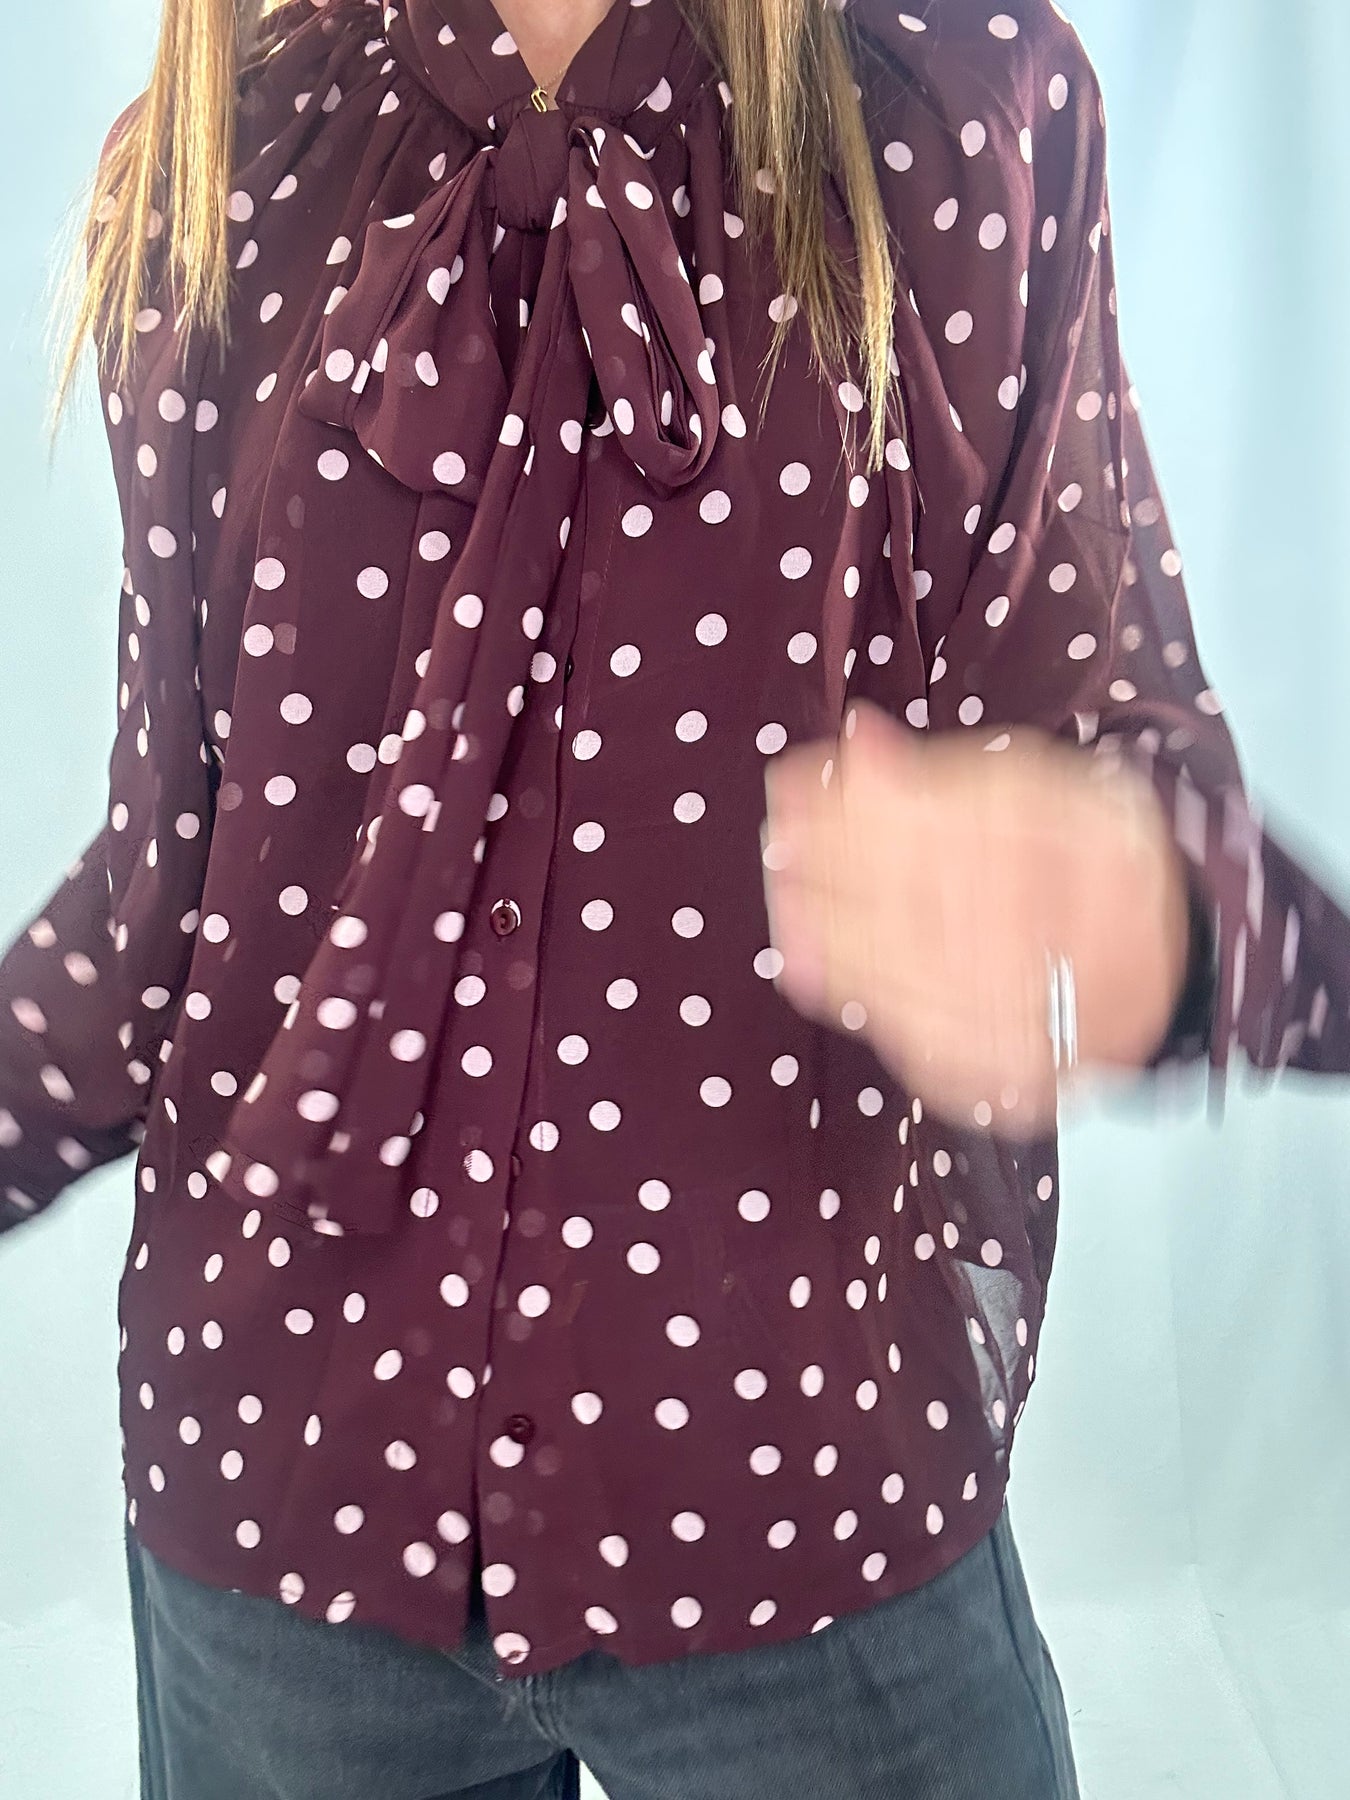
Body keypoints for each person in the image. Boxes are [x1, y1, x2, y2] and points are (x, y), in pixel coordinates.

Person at [6, 0, 1349, 1795]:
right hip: (278, 1516)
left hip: (803, 1492)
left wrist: (1147, 923)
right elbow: (164, 896)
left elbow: (1121, 740)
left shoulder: (956, 102)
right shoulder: (219, 149)